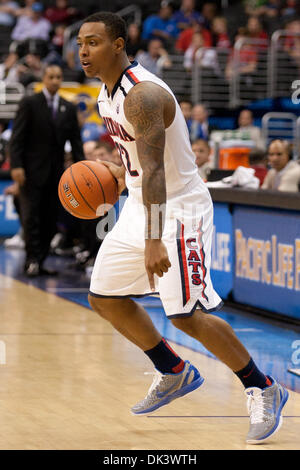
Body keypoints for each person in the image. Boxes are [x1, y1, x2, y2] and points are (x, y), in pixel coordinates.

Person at [77, 11, 289, 444]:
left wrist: (154, 237)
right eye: (80, 42)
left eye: (94, 42)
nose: (83, 50)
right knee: (104, 295)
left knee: (184, 313)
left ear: (118, 45)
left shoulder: (143, 95)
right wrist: (118, 175)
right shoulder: (105, 94)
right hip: (140, 201)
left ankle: (263, 387)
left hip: (178, 209)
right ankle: (173, 370)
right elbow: (140, 163)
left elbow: (157, 170)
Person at [9, 64, 84, 277]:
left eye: (58, 77)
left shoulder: (68, 108)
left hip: (56, 174)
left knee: (51, 220)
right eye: (51, 76)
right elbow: (17, 138)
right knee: (31, 218)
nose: (55, 80)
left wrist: (81, 170)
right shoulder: (30, 103)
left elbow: (76, 143)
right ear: (44, 78)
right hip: (30, 173)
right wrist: (16, 166)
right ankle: (31, 260)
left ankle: (40, 261)